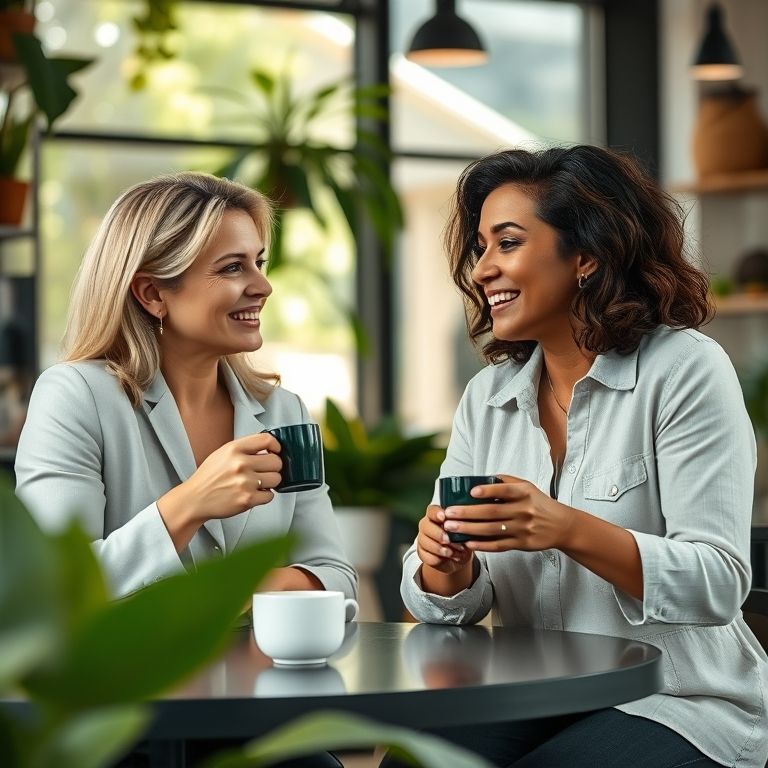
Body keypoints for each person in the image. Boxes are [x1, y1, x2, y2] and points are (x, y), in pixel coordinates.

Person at [398, 146, 768, 768]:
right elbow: (451, 603)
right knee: (414, 761)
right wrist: (443, 562)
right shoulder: (487, 398)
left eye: (507, 243)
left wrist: (565, 528)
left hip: (678, 699)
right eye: (480, 247)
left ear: (587, 257)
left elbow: (718, 582)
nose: (483, 268)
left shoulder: (685, 370)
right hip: (529, 696)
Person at [14, 172, 355, 767]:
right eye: (231, 268)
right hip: (113, 722)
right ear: (152, 293)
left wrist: (221, 597)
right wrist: (188, 504)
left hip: (251, 712)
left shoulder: (282, 412)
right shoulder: (75, 396)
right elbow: (51, 598)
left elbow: (334, 579)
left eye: (259, 261)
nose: (263, 285)